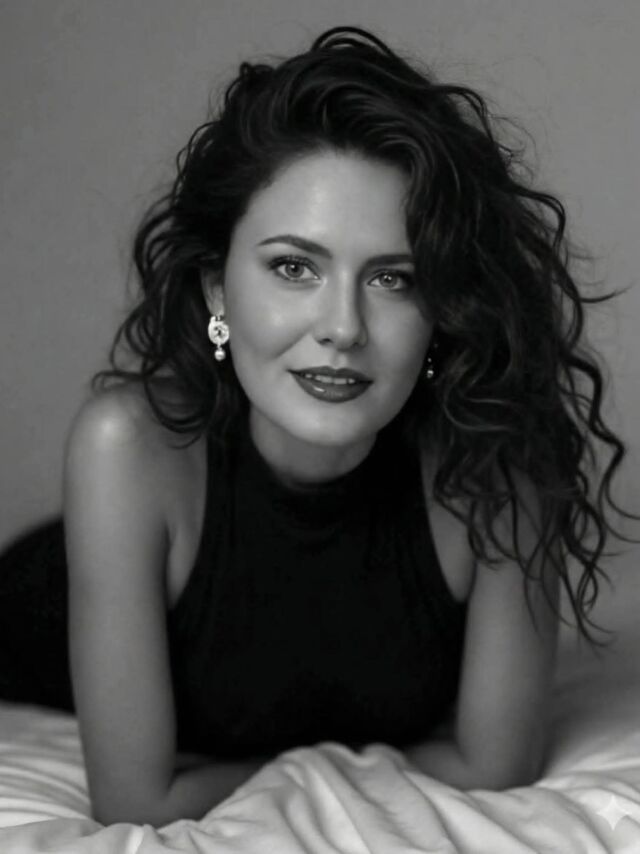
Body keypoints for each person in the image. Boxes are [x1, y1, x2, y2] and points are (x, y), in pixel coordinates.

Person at [0, 25, 635, 827]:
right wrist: (343, 768)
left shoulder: (496, 470)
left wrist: (310, 769)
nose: (342, 328)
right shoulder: (129, 448)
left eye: (394, 279)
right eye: (293, 267)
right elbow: (134, 801)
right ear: (217, 289)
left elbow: (496, 765)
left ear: (443, 307)